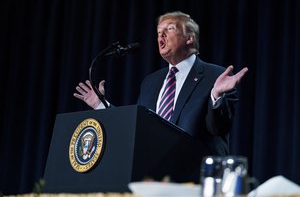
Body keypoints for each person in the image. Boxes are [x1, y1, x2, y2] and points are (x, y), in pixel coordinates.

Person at [74, 11, 248, 181]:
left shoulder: (215, 76)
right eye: (158, 32)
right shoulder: (151, 82)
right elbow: (138, 128)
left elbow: (219, 128)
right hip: (154, 179)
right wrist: (102, 106)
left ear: (190, 38)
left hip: (196, 180)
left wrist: (216, 96)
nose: (160, 35)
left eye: (169, 29)